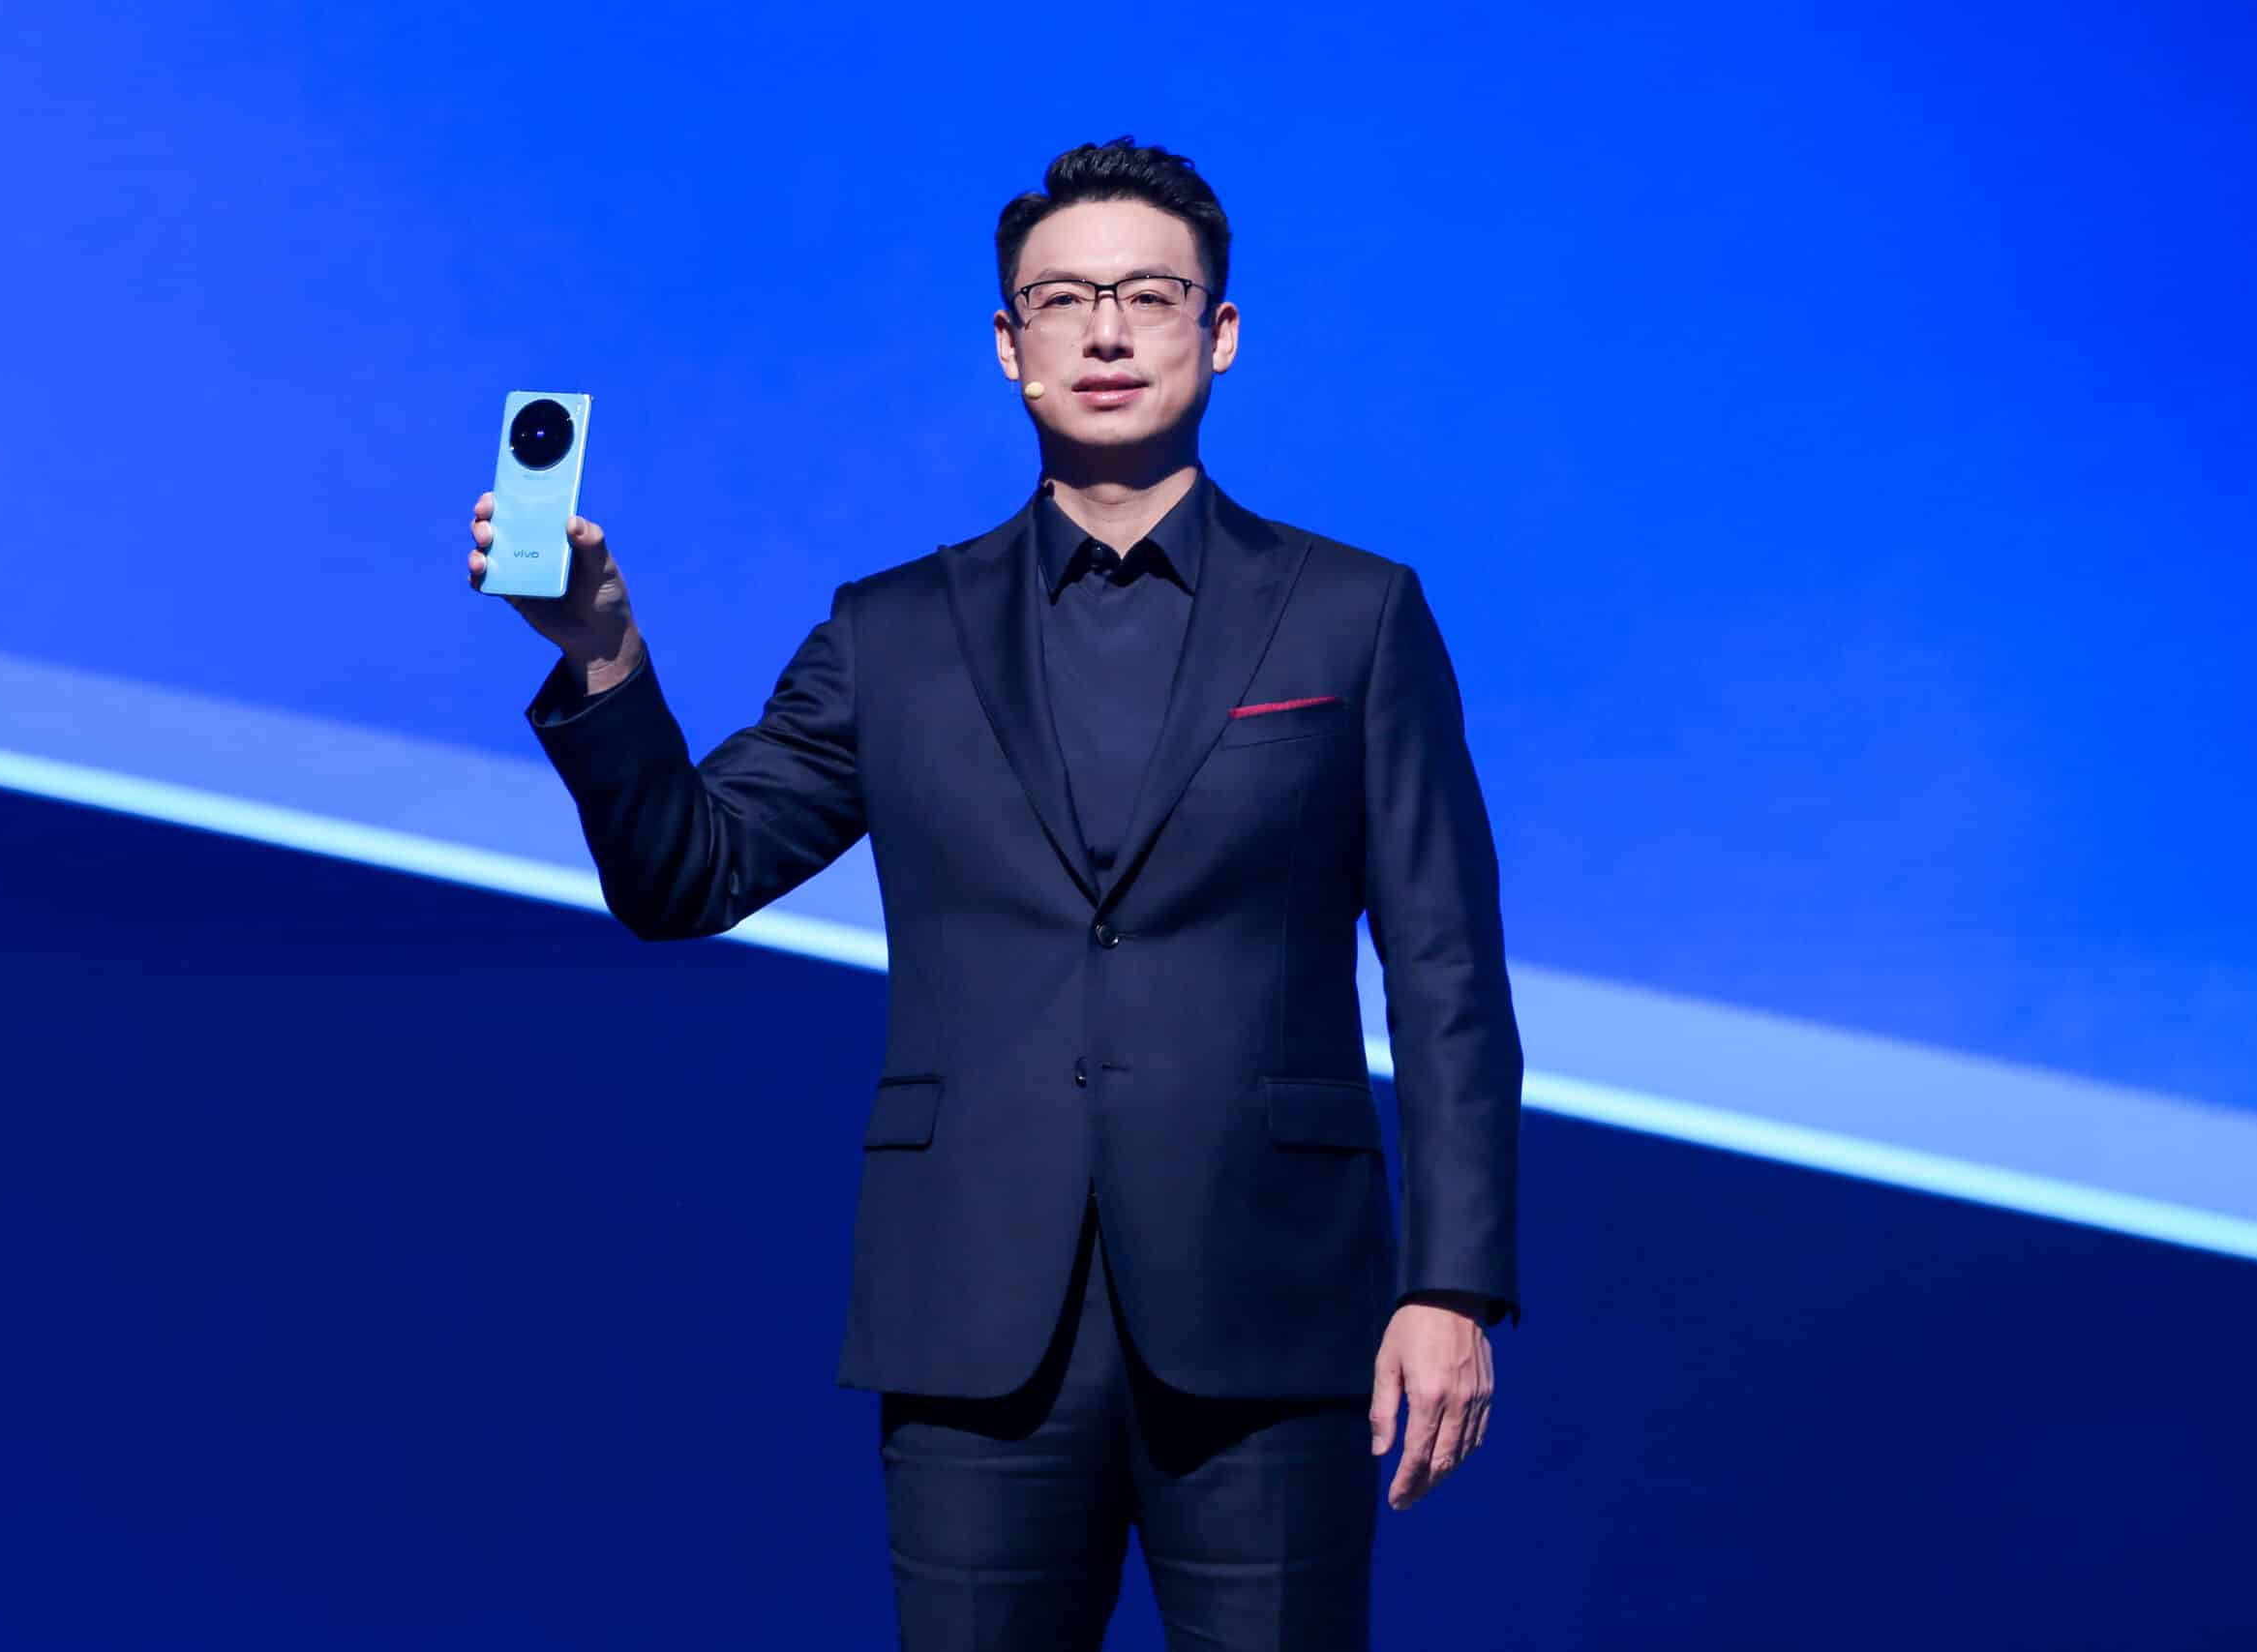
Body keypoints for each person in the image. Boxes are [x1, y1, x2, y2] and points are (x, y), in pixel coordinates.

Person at [466, 135, 1523, 1651]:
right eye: (1063, 300)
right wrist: (604, 659)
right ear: (1009, 346)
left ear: (1221, 331)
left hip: (1275, 1305)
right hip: (970, 1315)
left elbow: (1446, 976)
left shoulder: (1354, 616)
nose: (1107, 333)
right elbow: (687, 875)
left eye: (1148, 296)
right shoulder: (894, 631)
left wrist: (1454, 1287)